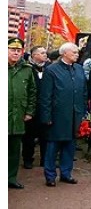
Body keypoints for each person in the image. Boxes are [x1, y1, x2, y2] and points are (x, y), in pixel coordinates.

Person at [40, 42, 87, 187]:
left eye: (77, 52)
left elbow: (84, 92)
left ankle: (66, 173)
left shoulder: (79, 69)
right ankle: (50, 175)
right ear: (64, 53)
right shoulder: (51, 70)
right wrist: (46, 116)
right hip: (58, 115)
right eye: (74, 52)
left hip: (75, 115)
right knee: (53, 147)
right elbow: (45, 95)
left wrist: (83, 111)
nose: (77, 54)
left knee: (70, 146)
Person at [8, 38, 37, 189]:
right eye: (12, 49)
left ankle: (11, 178)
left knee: (14, 150)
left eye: (18, 50)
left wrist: (30, 111)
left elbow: (32, 92)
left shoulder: (27, 69)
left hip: (18, 116)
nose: (15, 53)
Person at [22, 45, 49, 170]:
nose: (45, 54)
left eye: (45, 52)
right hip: (31, 108)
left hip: (45, 108)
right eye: (42, 52)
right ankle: (28, 159)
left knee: (46, 135)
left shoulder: (49, 69)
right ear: (34, 55)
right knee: (29, 136)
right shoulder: (27, 69)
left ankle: (45, 159)